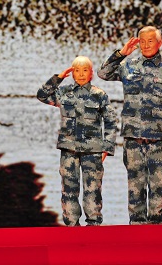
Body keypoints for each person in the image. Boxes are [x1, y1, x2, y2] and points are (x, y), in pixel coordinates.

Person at [97, 26, 162, 225]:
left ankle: (156, 229)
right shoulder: (128, 66)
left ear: (159, 43)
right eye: (143, 41)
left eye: (150, 41)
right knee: (135, 186)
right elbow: (103, 73)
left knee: (158, 187)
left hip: (159, 138)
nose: (146, 45)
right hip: (133, 137)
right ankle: (136, 229)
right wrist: (121, 54)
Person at [37, 55, 117, 226]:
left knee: (92, 189)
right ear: (72, 73)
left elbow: (111, 121)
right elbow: (42, 95)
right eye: (77, 70)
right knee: (69, 190)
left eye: (85, 70)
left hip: (92, 150)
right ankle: (72, 227)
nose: (81, 74)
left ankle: (93, 226)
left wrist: (107, 147)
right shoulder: (63, 93)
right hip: (69, 149)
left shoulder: (99, 95)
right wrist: (58, 78)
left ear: (91, 73)